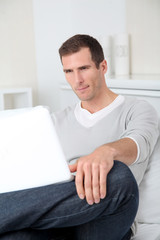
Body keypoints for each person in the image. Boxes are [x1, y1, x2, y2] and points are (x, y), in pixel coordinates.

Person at [0, 34, 159, 240]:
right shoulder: (53, 121)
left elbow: (139, 143)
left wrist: (105, 152)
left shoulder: (137, 108)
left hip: (106, 214)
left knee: (120, 175)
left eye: (83, 68)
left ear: (102, 66)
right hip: (59, 217)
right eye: (69, 71)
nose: (77, 80)